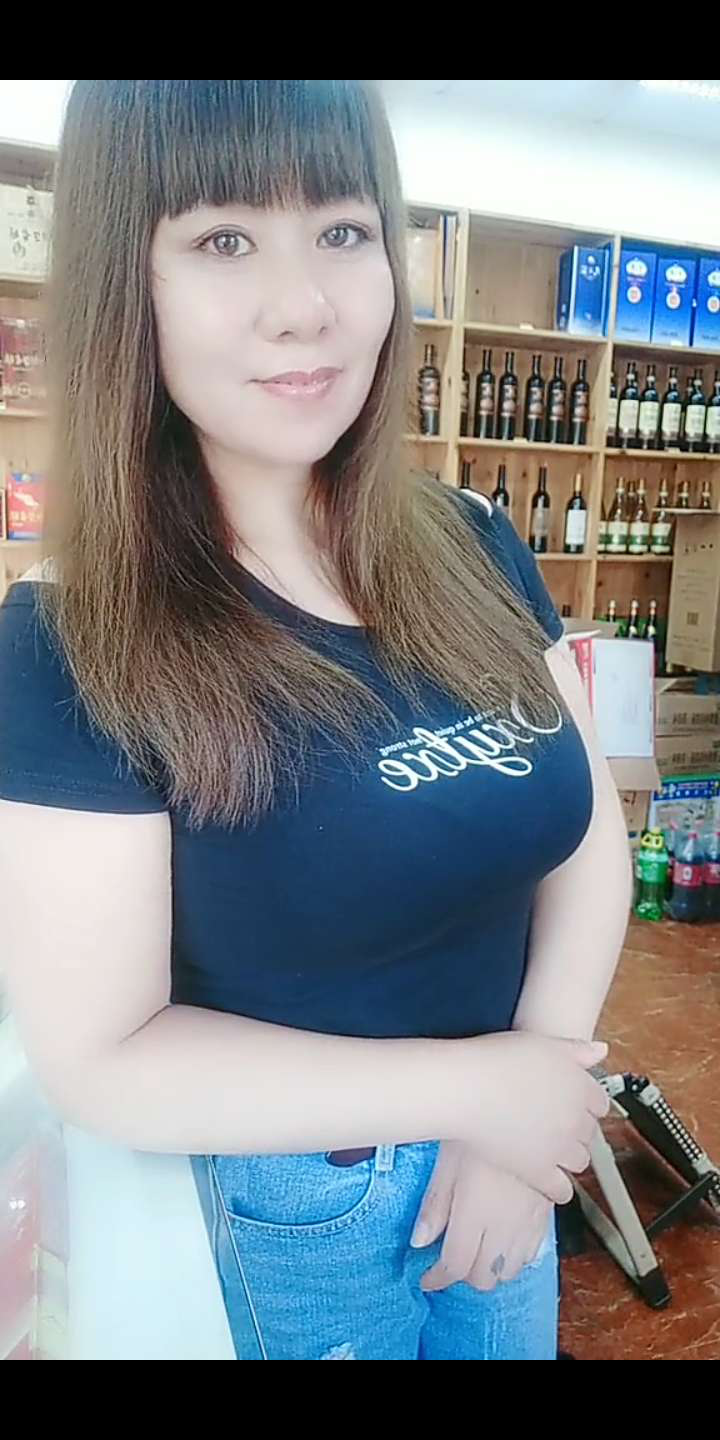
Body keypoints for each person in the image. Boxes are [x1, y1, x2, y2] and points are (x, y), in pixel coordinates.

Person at [0, 80, 630, 1361]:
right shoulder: (67, 640)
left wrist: (527, 1103)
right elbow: (104, 1059)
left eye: (343, 231)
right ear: (127, 279)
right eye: (224, 239)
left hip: (512, 1155)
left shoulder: (472, 539)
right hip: (296, 1206)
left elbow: (588, 842)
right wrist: (484, 1092)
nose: (305, 305)